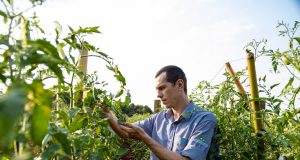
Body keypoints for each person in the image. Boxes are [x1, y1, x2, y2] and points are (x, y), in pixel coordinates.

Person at [102, 65, 218, 160]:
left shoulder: (204, 120)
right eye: (157, 90)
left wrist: (145, 138)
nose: (158, 95)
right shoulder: (159, 118)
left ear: (179, 85)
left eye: (162, 88)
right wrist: (107, 112)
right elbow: (125, 132)